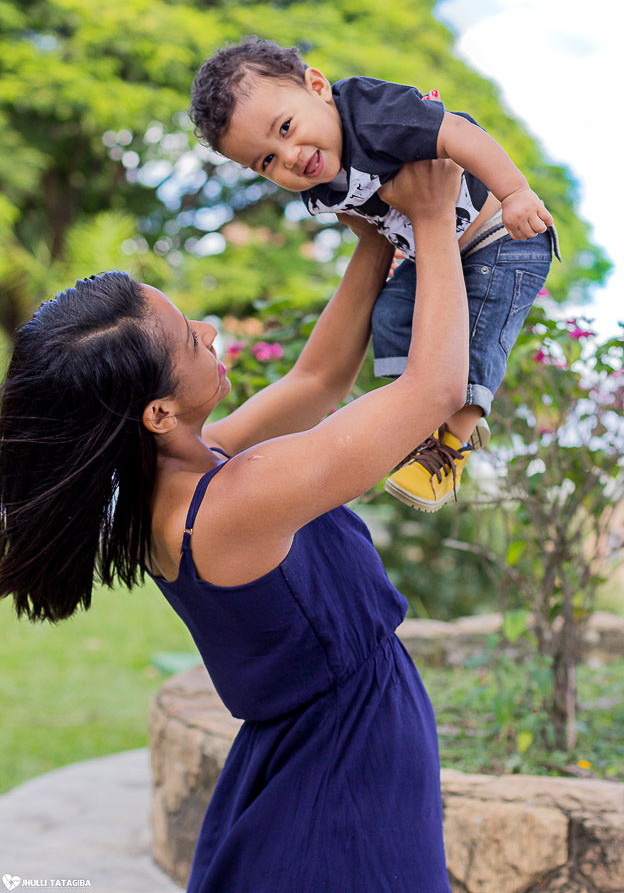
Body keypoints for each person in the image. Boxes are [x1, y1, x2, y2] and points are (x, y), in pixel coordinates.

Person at [1, 159, 465, 892]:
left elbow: (318, 382)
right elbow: (434, 390)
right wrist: (435, 219)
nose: (212, 330)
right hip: (342, 769)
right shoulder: (233, 503)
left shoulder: (179, 480)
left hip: (310, 753)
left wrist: (379, 236)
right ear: (157, 413)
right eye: (190, 338)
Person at [189, 38, 561, 512]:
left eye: (286, 127)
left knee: (480, 335)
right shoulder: (318, 184)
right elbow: (369, 230)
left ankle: (452, 445)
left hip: (502, 239)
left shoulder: (376, 114)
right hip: (432, 252)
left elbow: (458, 134)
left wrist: (516, 194)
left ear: (318, 87)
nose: (289, 155)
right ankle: (414, 419)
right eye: (265, 161)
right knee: (389, 314)